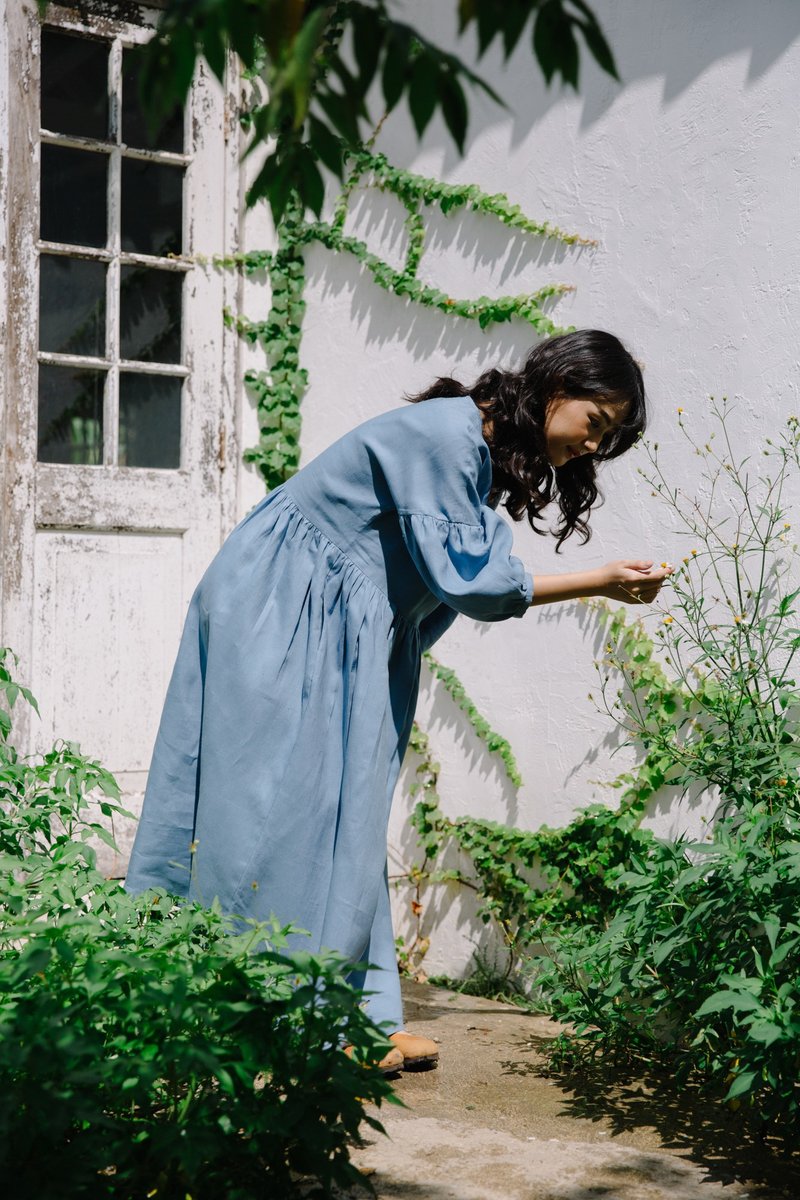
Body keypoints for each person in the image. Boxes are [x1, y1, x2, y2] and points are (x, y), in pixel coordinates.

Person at [125, 329, 671, 1074]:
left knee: (342, 812)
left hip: (329, 618)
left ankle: (347, 1013)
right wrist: (601, 579)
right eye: (594, 426)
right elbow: (473, 583)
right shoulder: (451, 438)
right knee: (281, 811)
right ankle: (261, 1017)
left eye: (606, 441)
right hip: (280, 606)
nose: (591, 448)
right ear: (558, 384)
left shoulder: (475, 444)